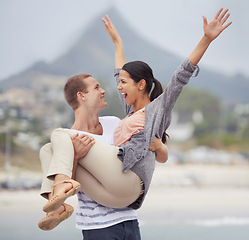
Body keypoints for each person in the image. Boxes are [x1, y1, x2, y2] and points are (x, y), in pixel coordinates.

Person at [39, 6, 232, 226]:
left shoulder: (158, 109)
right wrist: (117, 43)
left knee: (60, 135)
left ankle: (61, 186)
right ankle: (58, 205)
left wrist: (206, 39)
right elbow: (119, 69)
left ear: (141, 85)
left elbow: (181, 76)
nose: (118, 87)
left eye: (123, 83)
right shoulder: (130, 112)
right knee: (48, 149)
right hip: (115, 197)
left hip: (128, 182)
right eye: (118, 82)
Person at [38, 73, 168, 235]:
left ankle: (56, 204)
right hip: (97, 225)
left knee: (53, 141)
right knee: (49, 148)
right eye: (96, 87)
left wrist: (158, 144)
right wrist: (76, 157)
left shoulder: (115, 124)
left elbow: (148, 155)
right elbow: (75, 189)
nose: (104, 91)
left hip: (127, 218)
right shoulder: (68, 141)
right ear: (81, 96)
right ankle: (58, 201)